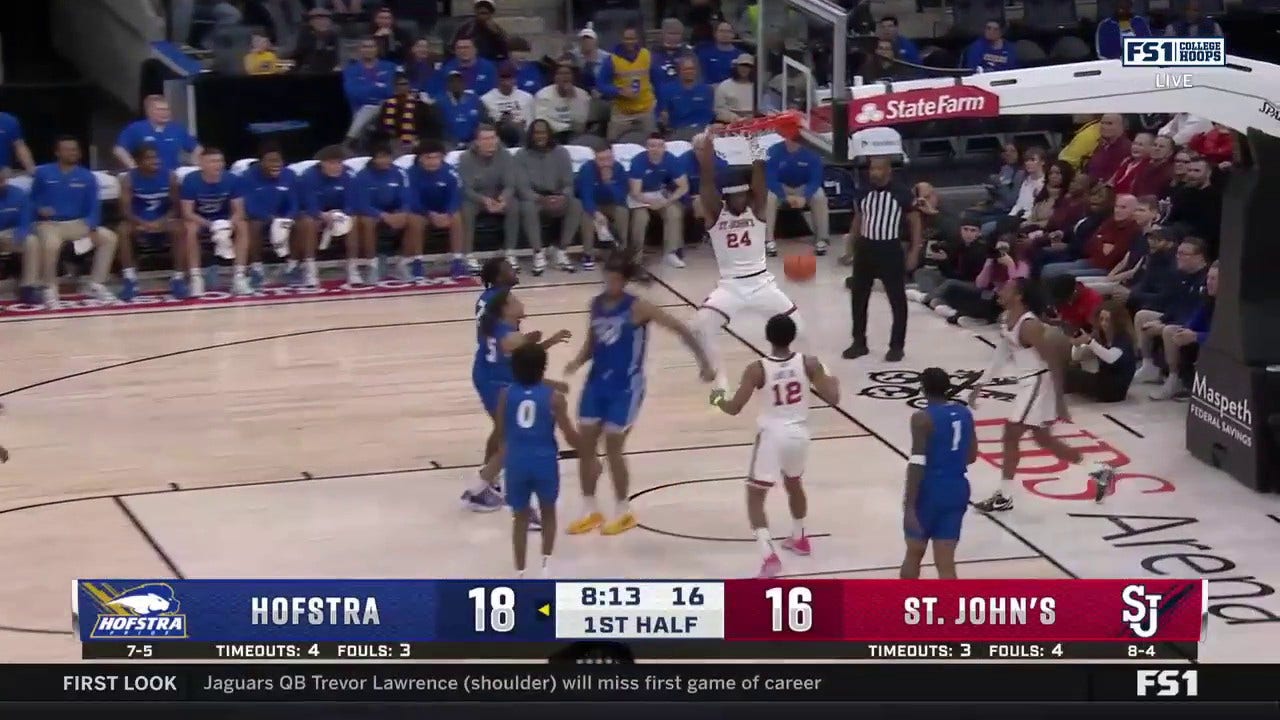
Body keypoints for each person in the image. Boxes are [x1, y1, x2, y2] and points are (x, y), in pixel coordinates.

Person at [564, 253, 715, 536]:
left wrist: (704, 362)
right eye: (606, 276)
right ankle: (589, 508)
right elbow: (592, 343)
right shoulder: (596, 305)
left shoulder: (638, 307)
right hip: (596, 382)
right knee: (585, 447)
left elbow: (681, 328)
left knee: (613, 447)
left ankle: (623, 511)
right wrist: (577, 361)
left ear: (624, 280)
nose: (609, 281)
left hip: (626, 386)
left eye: (615, 277)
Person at [968, 278, 1116, 512]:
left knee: (1011, 433)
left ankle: (1004, 495)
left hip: (1038, 380)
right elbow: (1001, 353)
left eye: (1006, 288)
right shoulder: (1007, 319)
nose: (1000, 290)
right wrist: (981, 384)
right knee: (1042, 439)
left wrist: (1059, 400)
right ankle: (1099, 469)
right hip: (1027, 380)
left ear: (1018, 296)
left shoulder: (1030, 326)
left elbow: (1053, 361)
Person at [710, 313, 841, 578]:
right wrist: (832, 379)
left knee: (755, 496)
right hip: (799, 434)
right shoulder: (810, 363)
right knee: (794, 483)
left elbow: (734, 408)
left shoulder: (757, 368)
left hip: (772, 435)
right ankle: (800, 537)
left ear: (768, 338)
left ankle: (768, 556)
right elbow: (834, 398)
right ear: (792, 336)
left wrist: (717, 400)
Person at [690, 127, 802, 390]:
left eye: (743, 194)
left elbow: (759, 176)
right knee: (700, 326)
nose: (740, 199)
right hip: (731, 285)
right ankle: (719, 379)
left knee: (799, 327)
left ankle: (807, 370)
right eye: (734, 195)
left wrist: (754, 145)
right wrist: (708, 144)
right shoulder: (717, 214)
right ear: (726, 197)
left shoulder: (758, 209)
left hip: (762, 282)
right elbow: (706, 180)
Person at [466, 285, 572, 513]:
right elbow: (526, 360)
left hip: (493, 378)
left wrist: (542, 342)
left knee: (505, 435)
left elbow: (524, 357)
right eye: (514, 300)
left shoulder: (501, 328)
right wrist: (535, 343)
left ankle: (484, 483)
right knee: (511, 439)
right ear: (506, 309)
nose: (520, 302)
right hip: (496, 383)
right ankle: (479, 488)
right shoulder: (512, 336)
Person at [497, 342, 582, 578]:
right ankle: (546, 566)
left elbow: (501, 431)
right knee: (549, 512)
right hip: (544, 460)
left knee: (520, 518)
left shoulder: (505, 395)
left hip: (516, 461)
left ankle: (520, 571)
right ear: (543, 369)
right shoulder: (554, 398)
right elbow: (569, 435)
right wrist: (588, 450)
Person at [901, 367, 977, 580]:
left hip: (930, 489)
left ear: (923, 390)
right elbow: (971, 456)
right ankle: (949, 610)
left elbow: (917, 463)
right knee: (946, 563)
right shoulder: (964, 413)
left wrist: (909, 506)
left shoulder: (921, 418)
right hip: (957, 488)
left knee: (914, 553)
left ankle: (902, 606)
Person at [843, 157, 920, 362]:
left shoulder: (901, 193)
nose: (873, 173)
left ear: (888, 171)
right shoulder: (864, 191)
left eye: (878, 169)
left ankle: (897, 345)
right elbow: (859, 217)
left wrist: (914, 251)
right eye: (871, 169)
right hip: (866, 247)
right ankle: (859, 342)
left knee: (897, 299)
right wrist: (851, 245)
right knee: (858, 297)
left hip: (890, 249)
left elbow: (915, 222)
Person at [30, 137, 120, 304]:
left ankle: (95, 284)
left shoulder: (87, 176)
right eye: (67, 149)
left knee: (109, 238)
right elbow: (32, 200)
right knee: (51, 245)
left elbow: (94, 205)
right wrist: (39, 209)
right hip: (50, 224)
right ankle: (50, 288)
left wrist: (92, 227)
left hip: (79, 223)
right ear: (57, 152)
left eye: (75, 149)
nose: (72, 152)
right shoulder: (43, 173)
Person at [179, 147, 248, 296]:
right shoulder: (191, 180)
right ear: (202, 164)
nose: (218, 165)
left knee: (242, 225)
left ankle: (239, 277)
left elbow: (239, 211)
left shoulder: (232, 179)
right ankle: (196, 278)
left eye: (220, 161)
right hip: (200, 220)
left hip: (224, 220)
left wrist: (227, 225)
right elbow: (187, 213)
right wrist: (212, 225)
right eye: (212, 161)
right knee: (189, 229)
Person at [117, 144, 180, 300]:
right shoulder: (128, 179)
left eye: (156, 157)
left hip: (163, 221)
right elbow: (125, 210)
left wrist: (161, 221)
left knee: (181, 228)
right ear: (138, 161)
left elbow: (176, 207)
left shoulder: (170, 176)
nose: (155, 160)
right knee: (122, 230)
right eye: (149, 158)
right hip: (139, 222)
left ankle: (179, 278)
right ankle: (130, 279)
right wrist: (143, 223)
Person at [353, 144, 416, 285]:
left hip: (394, 211)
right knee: (366, 221)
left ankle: (402, 264)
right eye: (380, 157)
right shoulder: (362, 176)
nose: (384, 160)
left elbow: (407, 198)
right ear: (373, 159)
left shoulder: (400, 173)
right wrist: (383, 216)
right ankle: (372, 266)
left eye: (387, 157)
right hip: (373, 213)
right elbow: (361, 204)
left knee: (412, 219)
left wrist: (402, 212)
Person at [240, 142, 300, 290]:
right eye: (270, 160)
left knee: (300, 223)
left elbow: (294, 203)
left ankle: (292, 267)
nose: (275, 164)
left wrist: (287, 218)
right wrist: (271, 219)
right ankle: (256, 268)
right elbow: (249, 206)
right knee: (253, 225)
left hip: (282, 216)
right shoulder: (248, 176)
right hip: (260, 217)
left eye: (278, 160)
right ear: (261, 162)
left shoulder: (289, 175)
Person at [408, 139, 467, 279]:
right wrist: (429, 214)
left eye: (437, 157)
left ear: (442, 157)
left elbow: (456, 196)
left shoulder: (451, 172)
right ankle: (417, 262)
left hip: (444, 211)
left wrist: (448, 213)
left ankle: (457, 261)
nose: (433, 161)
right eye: (429, 158)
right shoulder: (411, 174)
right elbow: (411, 200)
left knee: (457, 217)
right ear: (421, 158)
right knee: (414, 220)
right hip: (422, 211)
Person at [297, 145, 357, 282]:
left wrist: (340, 214)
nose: (336, 167)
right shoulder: (308, 176)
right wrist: (321, 215)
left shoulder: (349, 175)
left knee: (354, 219)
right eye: (331, 163)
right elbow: (308, 203)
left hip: (339, 213)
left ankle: (352, 267)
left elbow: (352, 202)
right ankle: (310, 268)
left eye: (339, 163)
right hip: (316, 213)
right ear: (322, 163)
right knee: (309, 222)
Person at [1066, 299, 1137, 403]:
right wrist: (1077, 345)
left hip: (1116, 389)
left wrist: (1090, 342)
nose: (1103, 323)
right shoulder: (1101, 336)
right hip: (1103, 379)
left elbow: (1110, 358)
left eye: (1107, 320)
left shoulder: (1123, 339)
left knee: (1072, 376)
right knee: (1070, 370)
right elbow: (1077, 357)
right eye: (1101, 319)